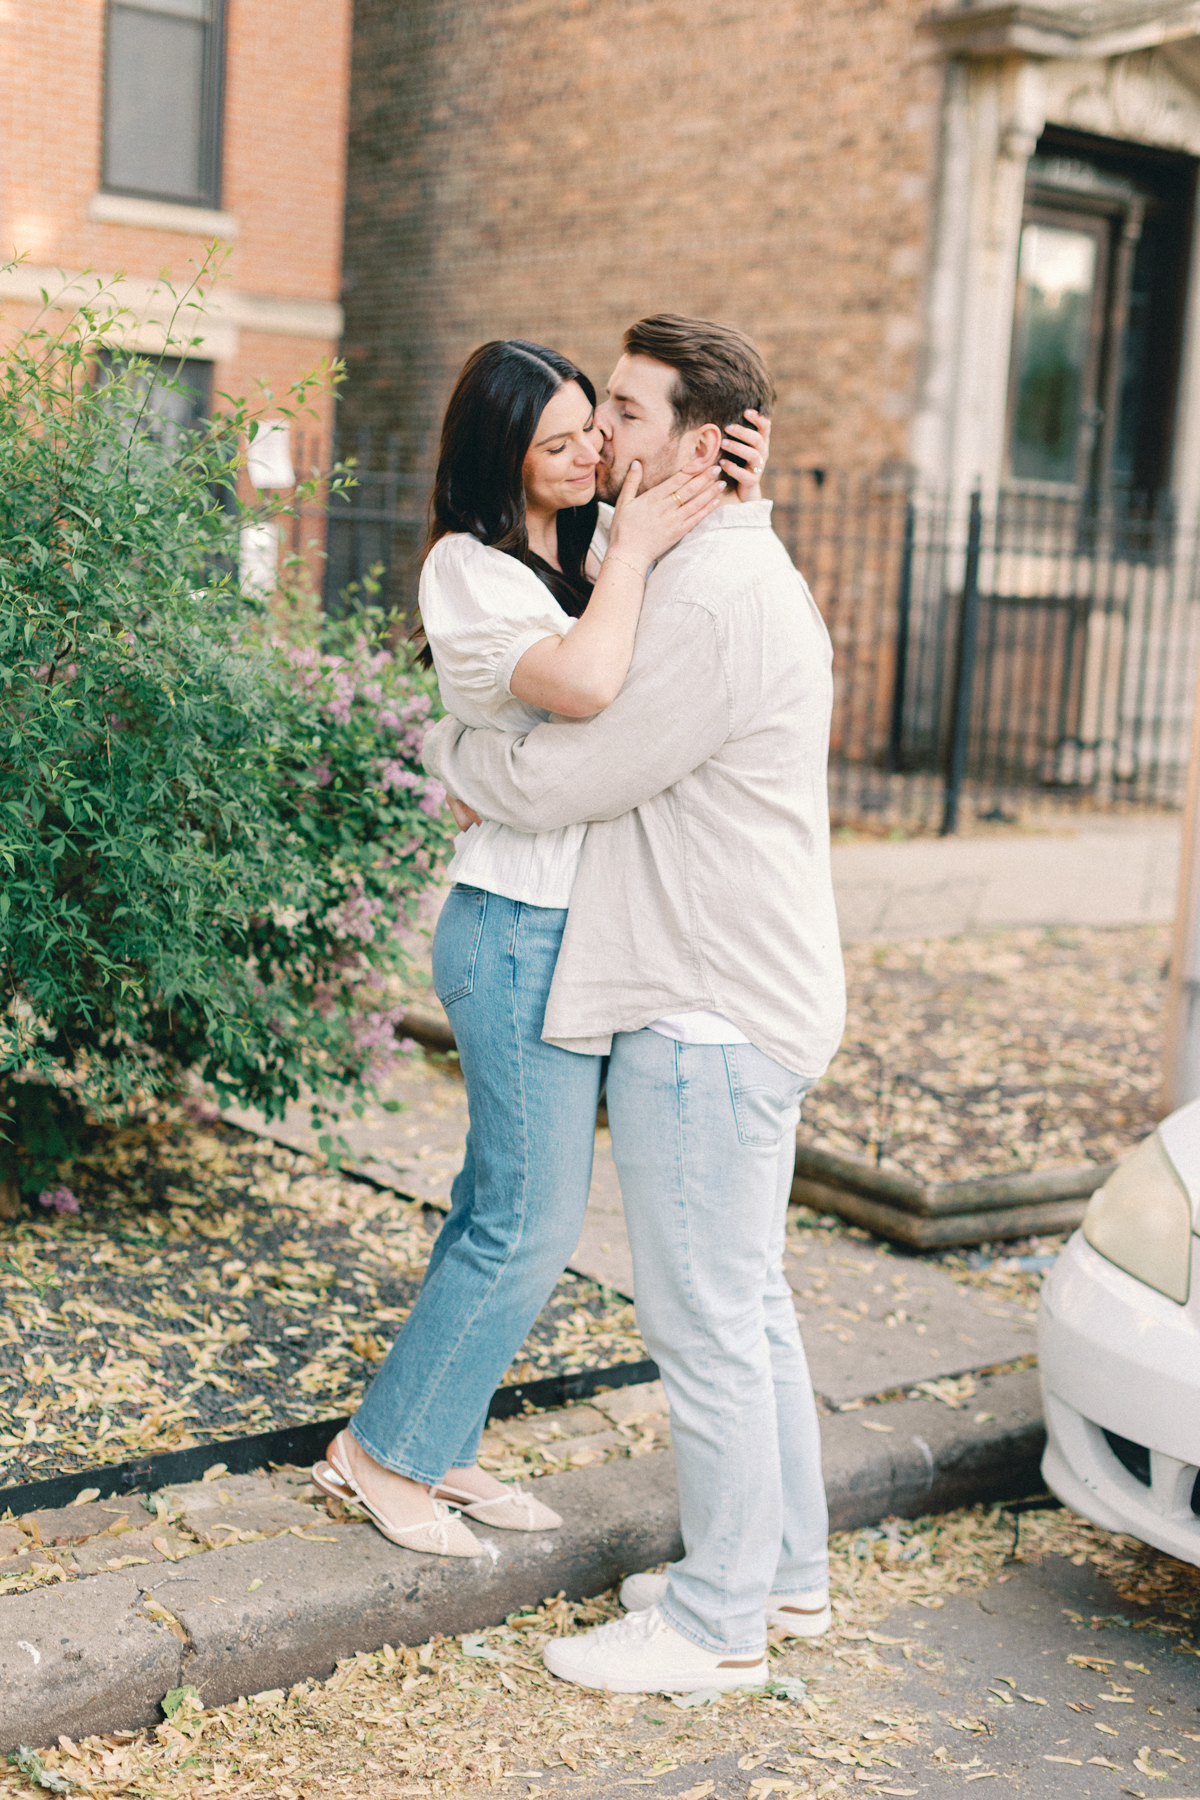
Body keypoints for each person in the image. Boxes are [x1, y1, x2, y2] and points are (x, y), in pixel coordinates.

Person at [423, 314, 846, 1692]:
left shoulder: (712, 596)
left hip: (706, 1004)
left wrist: (453, 756)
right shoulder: (718, 557)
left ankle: (717, 1624)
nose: (599, 429)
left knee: (706, 1325)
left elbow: (571, 775)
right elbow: (611, 570)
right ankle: (781, 1575)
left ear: (699, 446)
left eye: (624, 409)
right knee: (750, 1305)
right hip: (740, 989)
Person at [312, 336, 770, 1556]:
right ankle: (380, 1456)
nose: (586, 454)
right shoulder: (469, 570)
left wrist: (729, 483)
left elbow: (686, 638)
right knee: (530, 1219)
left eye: (591, 431)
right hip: (514, 930)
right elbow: (584, 685)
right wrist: (633, 552)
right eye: (556, 442)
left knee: (493, 1203)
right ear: (499, 453)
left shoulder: (588, 546)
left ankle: (438, 1440)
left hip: (571, 930)